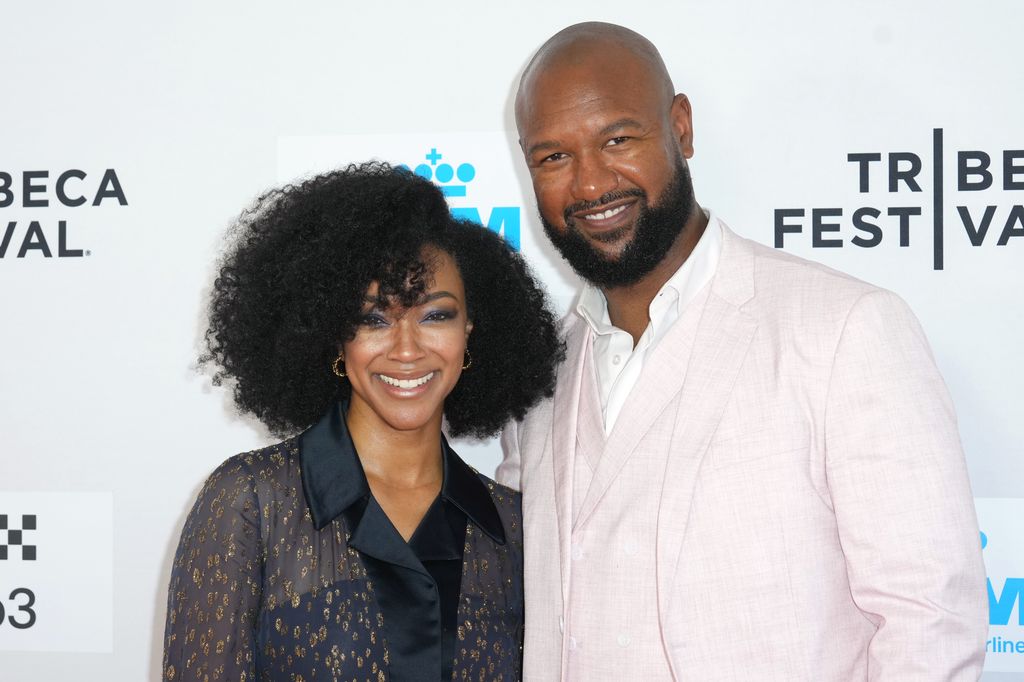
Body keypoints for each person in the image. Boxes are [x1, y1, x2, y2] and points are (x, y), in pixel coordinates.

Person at [497, 21, 988, 680]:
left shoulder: (843, 330)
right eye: (553, 157)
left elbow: (929, 625)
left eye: (617, 139)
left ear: (681, 127)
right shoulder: (540, 372)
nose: (589, 184)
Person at [163, 162, 563, 681]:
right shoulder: (251, 503)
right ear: (333, 334)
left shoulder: (512, 525)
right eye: (374, 319)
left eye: (435, 315)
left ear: (470, 330)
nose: (407, 349)